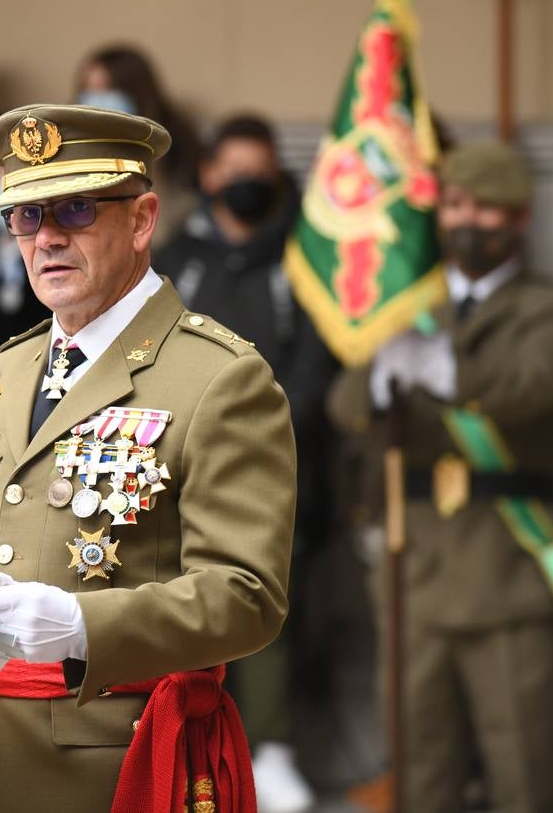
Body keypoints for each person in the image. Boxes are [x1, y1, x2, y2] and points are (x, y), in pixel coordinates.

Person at [0, 104, 296, 812]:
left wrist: (83, 627)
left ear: (141, 221)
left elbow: (246, 595)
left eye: (74, 211)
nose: (45, 239)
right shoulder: (1, 374)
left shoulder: (219, 376)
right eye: (24, 217)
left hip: (120, 763)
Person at [327, 141, 553, 813]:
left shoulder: (552, 308)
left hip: (509, 564)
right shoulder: (412, 307)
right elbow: (345, 408)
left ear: (520, 217)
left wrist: (444, 370)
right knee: (420, 771)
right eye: (455, 204)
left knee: (523, 772)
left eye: (486, 206)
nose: (469, 218)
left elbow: (536, 389)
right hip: (415, 568)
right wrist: (383, 379)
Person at [154, 113, 337, 812]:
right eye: (232, 171)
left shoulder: (302, 260)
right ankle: (180, 743)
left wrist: (254, 434)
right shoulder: (176, 257)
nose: (245, 184)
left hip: (279, 467)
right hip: (178, 468)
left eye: (258, 171)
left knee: (262, 609)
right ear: (207, 177)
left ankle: (273, 748)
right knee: (180, 606)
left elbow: (315, 368)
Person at [74, 45, 202, 249]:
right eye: (88, 90)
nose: (94, 101)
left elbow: (179, 217)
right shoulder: (73, 147)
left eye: (106, 90)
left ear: (135, 92)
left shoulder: (175, 143)